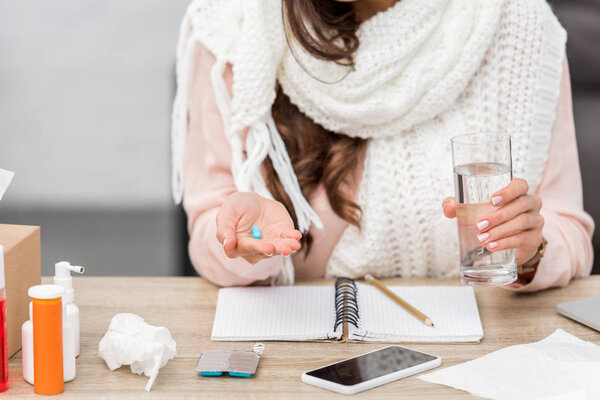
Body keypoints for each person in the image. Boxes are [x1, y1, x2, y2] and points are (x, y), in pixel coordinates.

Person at [172, 0, 594, 290]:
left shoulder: (515, 24)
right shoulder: (235, 29)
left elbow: (567, 230)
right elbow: (209, 230)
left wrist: (530, 252)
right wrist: (245, 241)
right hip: (297, 355)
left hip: (482, 345)